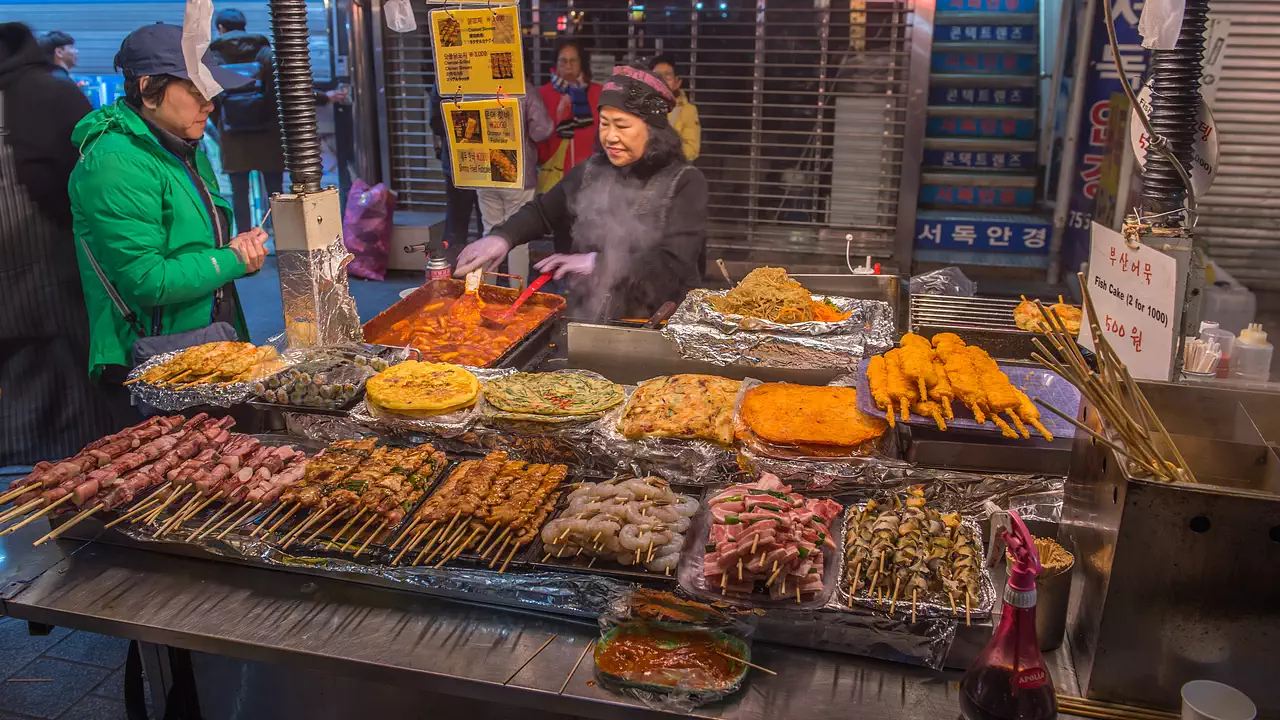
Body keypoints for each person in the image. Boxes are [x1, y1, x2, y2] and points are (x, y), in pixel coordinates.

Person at [68, 23, 269, 416]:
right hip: (152, 358)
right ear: (147, 88)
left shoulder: (177, 144)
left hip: (203, 341)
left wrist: (234, 254)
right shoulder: (116, 163)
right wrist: (231, 259)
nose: (210, 104)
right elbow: (148, 279)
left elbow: (194, 245)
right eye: (196, 92)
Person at [456, 65, 707, 321]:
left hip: (660, 319)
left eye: (622, 126)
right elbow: (543, 212)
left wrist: (596, 263)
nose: (610, 136)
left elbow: (674, 262)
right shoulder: (592, 170)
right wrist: (502, 238)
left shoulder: (685, 182)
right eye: (605, 124)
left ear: (654, 131)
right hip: (592, 313)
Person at [0, 22, 117, 464]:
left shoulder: (46, 95)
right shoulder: (50, 91)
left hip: (53, 286)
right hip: (35, 295)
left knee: (76, 435)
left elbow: (91, 185)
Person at [210, 9, 345, 233]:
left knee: (239, 194)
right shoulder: (266, 54)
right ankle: (281, 237)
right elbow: (291, 87)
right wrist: (323, 97)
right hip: (269, 135)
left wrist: (223, 125)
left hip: (233, 137)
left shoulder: (214, 59)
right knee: (276, 193)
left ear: (220, 29)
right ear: (244, 26)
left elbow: (211, 100)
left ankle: (244, 241)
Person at [476, 77, 553, 234]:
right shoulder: (524, 89)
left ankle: (487, 258)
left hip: (484, 169)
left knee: (490, 230)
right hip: (516, 172)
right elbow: (541, 132)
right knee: (518, 233)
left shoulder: (475, 88)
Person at [536, 39, 602, 192]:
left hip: (591, 175)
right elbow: (538, 137)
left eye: (573, 61)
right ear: (556, 65)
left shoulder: (597, 92)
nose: (568, 66)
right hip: (554, 176)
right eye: (563, 61)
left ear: (581, 63)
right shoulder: (543, 94)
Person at [430, 82, 482, 255]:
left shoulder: (447, 78)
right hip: (459, 162)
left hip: (474, 162)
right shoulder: (447, 78)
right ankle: (454, 274)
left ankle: (479, 275)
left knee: (481, 226)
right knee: (458, 229)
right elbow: (436, 123)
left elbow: (436, 122)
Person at [649, 54, 700, 162]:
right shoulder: (635, 106)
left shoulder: (687, 111)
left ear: (677, 82)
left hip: (670, 171)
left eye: (667, 76)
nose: (661, 81)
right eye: (657, 76)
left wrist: (664, 152)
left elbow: (692, 150)